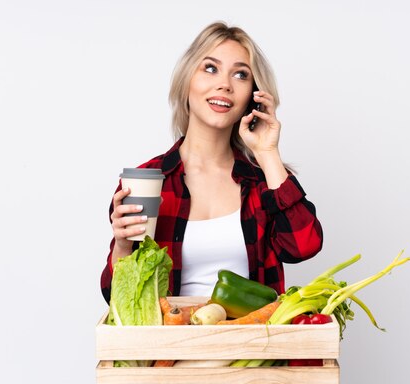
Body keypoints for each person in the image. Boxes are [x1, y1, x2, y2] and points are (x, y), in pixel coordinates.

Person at [100, 22, 323, 303]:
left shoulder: (264, 180)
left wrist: (267, 152)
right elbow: (119, 300)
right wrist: (122, 246)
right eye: (210, 68)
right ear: (187, 80)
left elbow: (303, 247)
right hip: (171, 344)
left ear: (252, 98)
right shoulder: (146, 181)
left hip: (252, 344)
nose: (224, 85)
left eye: (241, 75)